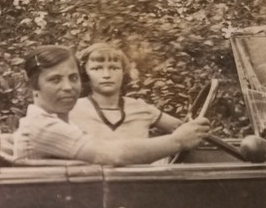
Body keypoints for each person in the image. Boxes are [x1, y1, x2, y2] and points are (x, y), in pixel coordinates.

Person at [13, 45, 209, 164]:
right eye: (55, 80)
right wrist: (177, 141)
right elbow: (111, 155)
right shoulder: (42, 126)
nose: (68, 87)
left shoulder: (61, 124)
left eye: (73, 78)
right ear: (33, 86)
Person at [70, 42, 183, 139]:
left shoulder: (140, 107)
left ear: (123, 72)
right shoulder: (72, 109)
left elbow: (187, 132)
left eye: (114, 68)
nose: (107, 75)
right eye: (97, 68)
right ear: (85, 73)